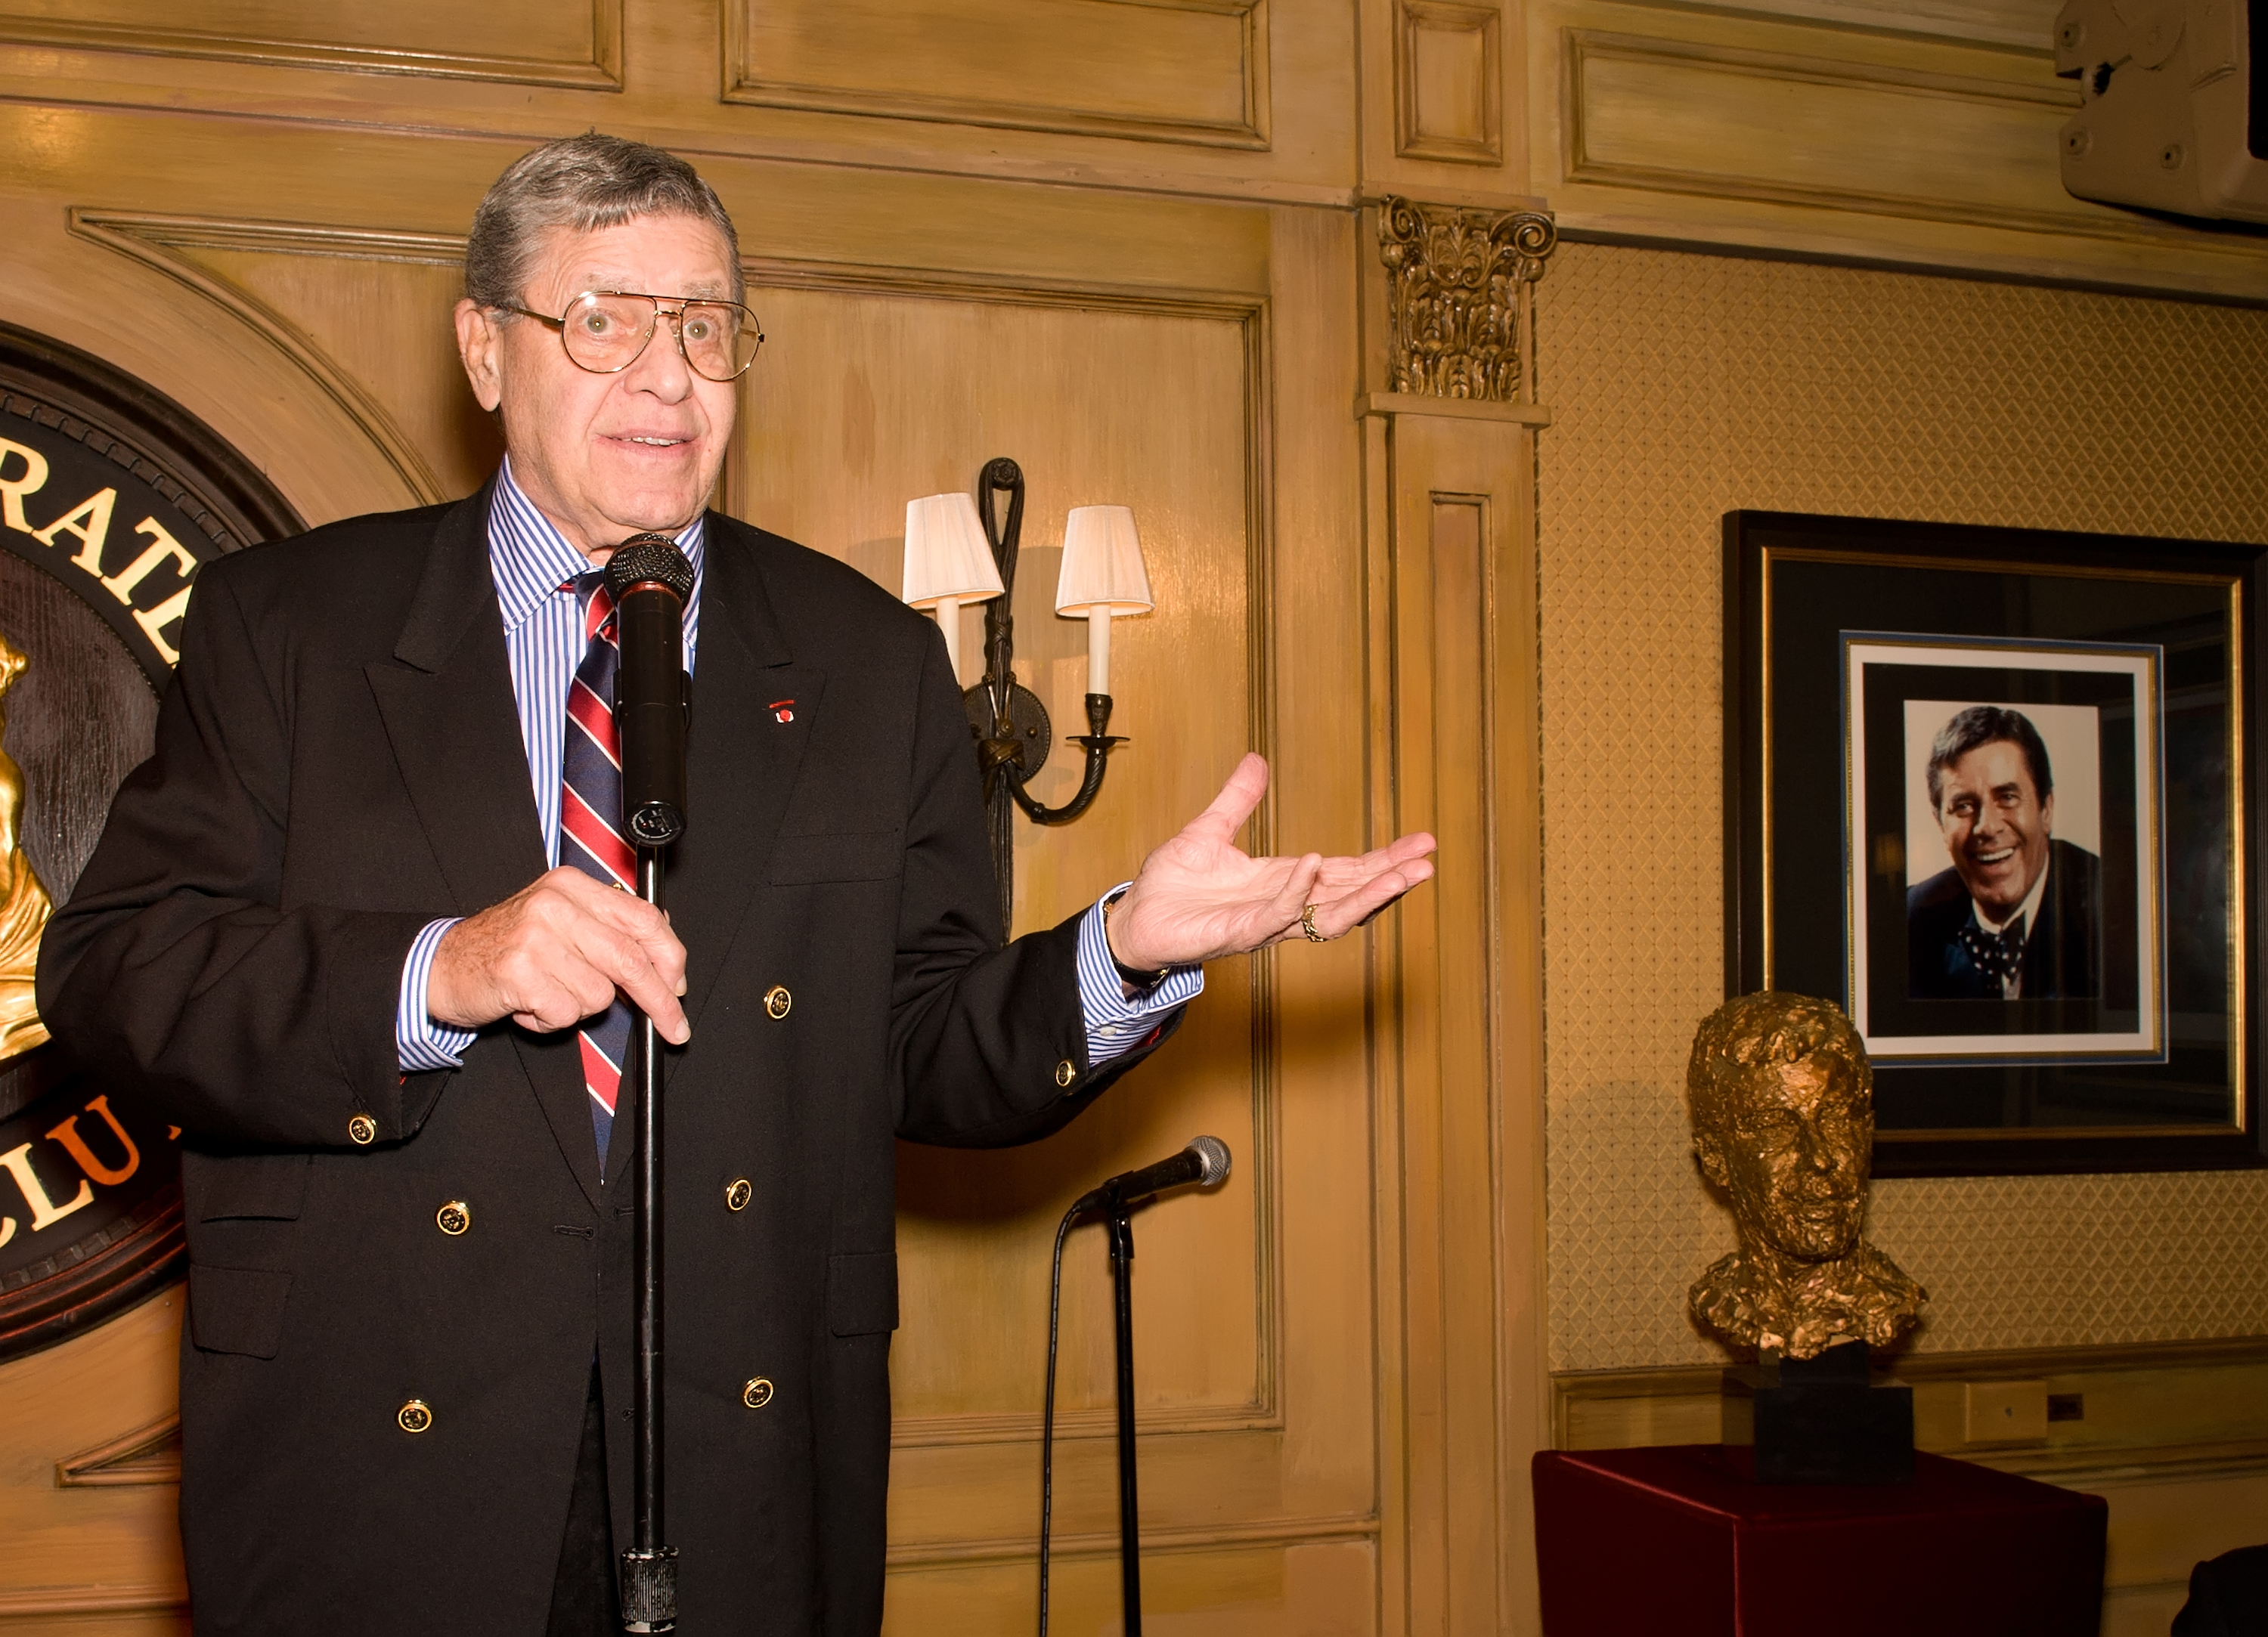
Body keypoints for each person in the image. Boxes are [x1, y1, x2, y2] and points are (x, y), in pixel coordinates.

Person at [33, 135, 1436, 1637]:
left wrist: (1123, 950)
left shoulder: (868, 661)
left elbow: (923, 1043)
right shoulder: (291, 629)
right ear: (486, 351)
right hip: (372, 1465)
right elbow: (117, 975)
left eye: (705, 326)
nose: (669, 375)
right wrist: (438, 972)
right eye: (607, 321)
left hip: (740, 1465)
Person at [1685, 991, 1925, 1361]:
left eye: (1837, 1118)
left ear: (1868, 1131)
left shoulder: (1891, 1298)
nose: (1820, 1158)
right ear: (1717, 1157)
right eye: (1776, 1126)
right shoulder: (1726, 1301)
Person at [1905, 704, 2103, 1001]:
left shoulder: (2113, 909)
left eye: (2007, 797)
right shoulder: (1910, 920)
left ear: (2046, 810)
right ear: (1940, 825)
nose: (1986, 827)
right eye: (1963, 806)